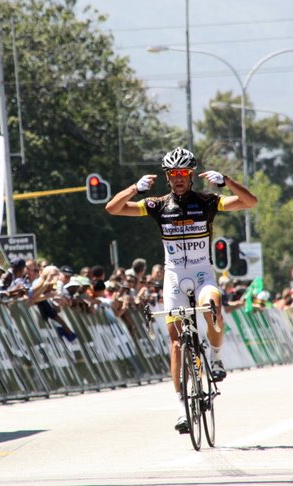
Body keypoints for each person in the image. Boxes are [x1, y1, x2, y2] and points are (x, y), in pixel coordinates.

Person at [105, 146, 257, 434]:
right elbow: (112, 209)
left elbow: (249, 202)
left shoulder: (208, 201)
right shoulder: (158, 205)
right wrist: (134, 189)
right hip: (174, 277)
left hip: (202, 274)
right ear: (167, 176)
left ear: (190, 176)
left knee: (213, 305)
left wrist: (227, 181)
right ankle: (180, 409)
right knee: (176, 344)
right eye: (173, 174)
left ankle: (215, 358)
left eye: (183, 173)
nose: (178, 178)